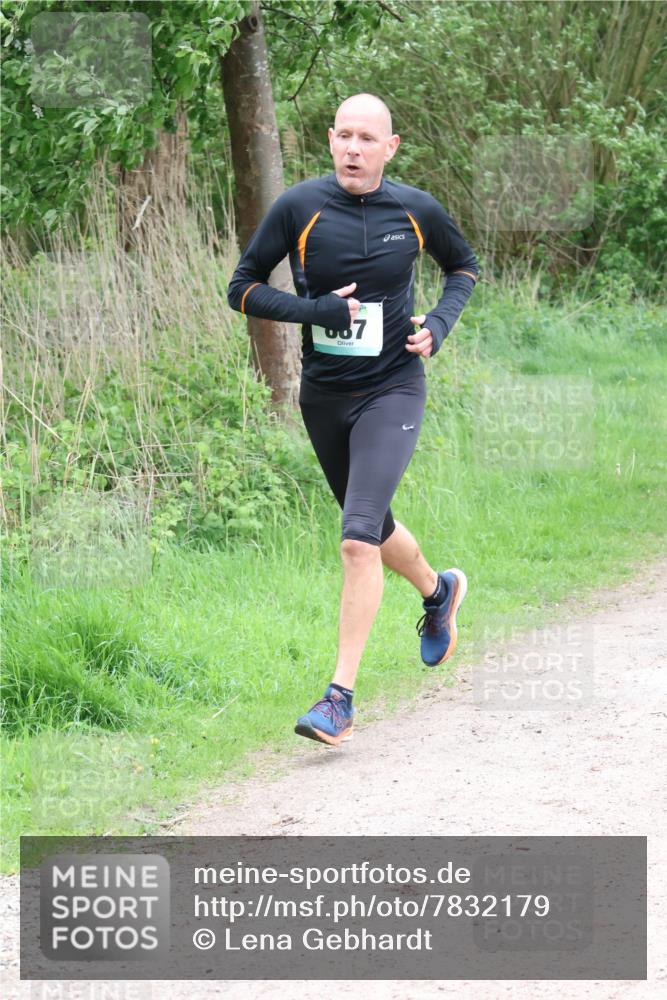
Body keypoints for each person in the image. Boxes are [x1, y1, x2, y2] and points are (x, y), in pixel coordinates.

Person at [228, 93, 478, 747]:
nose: (351, 148)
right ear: (330, 140)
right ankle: (436, 590)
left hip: (392, 389)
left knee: (354, 540)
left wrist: (439, 327)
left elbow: (463, 269)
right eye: (342, 135)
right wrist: (313, 312)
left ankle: (337, 698)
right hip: (325, 396)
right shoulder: (299, 208)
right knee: (371, 524)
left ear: (388, 148)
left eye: (366, 138)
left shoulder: (415, 210)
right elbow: (243, 288)